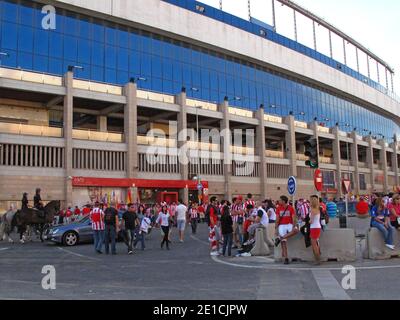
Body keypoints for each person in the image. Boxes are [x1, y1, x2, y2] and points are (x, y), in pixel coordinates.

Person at [275, 195, 299, 265]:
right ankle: (286, 258)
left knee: (296, 230)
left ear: (283, 201)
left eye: (280, 200)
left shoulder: (291, 208)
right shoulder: (278, 208)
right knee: (283, 242)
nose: (279, 201)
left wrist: (294, 226)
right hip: (281, 225)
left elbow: (294, 219)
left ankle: (280, 238)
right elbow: (277, 220)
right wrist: (276, 229)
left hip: (289, 224)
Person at [309, 195, 322, 265]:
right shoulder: (317, 209)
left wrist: (308, 221)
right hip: (317, 227)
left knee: (314, 245)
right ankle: (317, 259)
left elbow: (311, 221)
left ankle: (318, 260)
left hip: (314, 227)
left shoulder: (312, 210)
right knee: (316, 244)